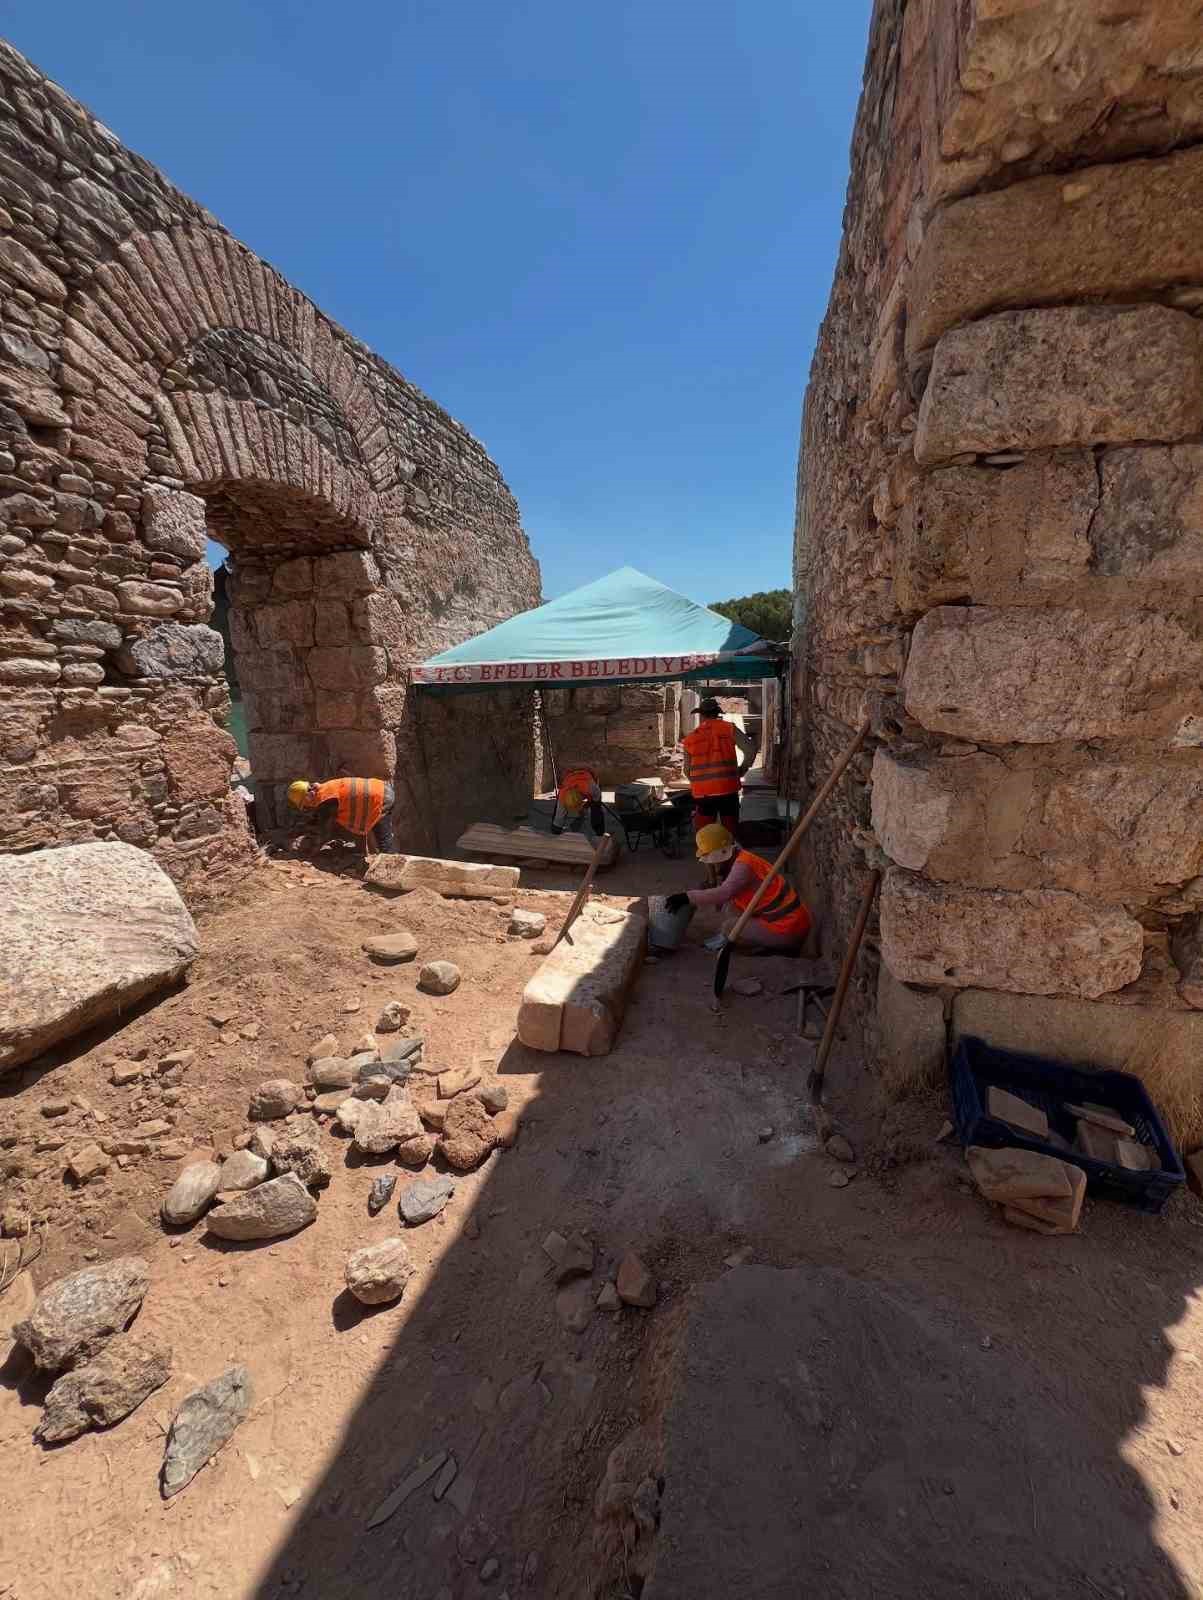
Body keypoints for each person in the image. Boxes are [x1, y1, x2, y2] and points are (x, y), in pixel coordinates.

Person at [665, 824, 811, 951]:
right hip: (790, 921)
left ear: (723, 853)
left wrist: (686, 897)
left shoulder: (743, 867)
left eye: (713, 860)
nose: (713, 865)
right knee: (731, 908)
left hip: (788, 928)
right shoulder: (742, 856)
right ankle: (759, 941)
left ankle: (767, 947)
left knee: (729, 927)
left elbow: (724, 893)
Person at [680, 697, 757, 840]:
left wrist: (699, 781)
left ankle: (711, 860)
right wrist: (742, 769)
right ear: (717, 713)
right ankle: (730, 858)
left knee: (706, 836)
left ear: (701, 715)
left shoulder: (690, 739)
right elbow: (751, 749)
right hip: (728, 789)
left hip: (703, 793)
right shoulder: (729, 728)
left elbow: (686, 770)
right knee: (730, 832)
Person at [287, 777, 396, 855]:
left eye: (304, 804)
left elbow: (324, 831)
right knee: (363, 824)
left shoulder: (325, 800)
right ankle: (362, 852)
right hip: (379, 788)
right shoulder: (324, 790)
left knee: (383, 841)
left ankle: (393, 871)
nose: (307, 807)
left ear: (307, 796)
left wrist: (310, 852)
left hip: (380, 797)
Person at [551, 765, 606, 839]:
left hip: (588, 774)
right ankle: (555, 831)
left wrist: (586, 806)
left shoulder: (592, 788)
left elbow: (597, 798)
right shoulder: (562, 796)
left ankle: (599, 832)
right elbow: (558, 818)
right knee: (558, 818)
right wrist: (556, 831)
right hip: (570, 777)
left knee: (596, 810)